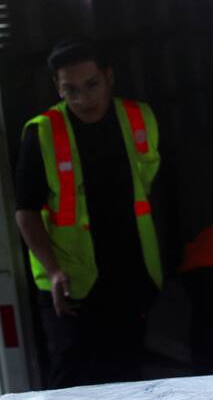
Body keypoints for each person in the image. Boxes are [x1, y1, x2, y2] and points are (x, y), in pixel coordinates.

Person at [14, 39, 163, 388]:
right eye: (71, 90)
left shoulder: (139, 118)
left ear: (109, 77)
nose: (83, 99)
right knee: (73, 382)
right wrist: (52, 271)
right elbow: (26, 210)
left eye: (91, 85)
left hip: (130, 275)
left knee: (128, 379)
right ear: (57, 87)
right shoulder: (43, 132)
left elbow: (156, 188)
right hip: (72, 286)